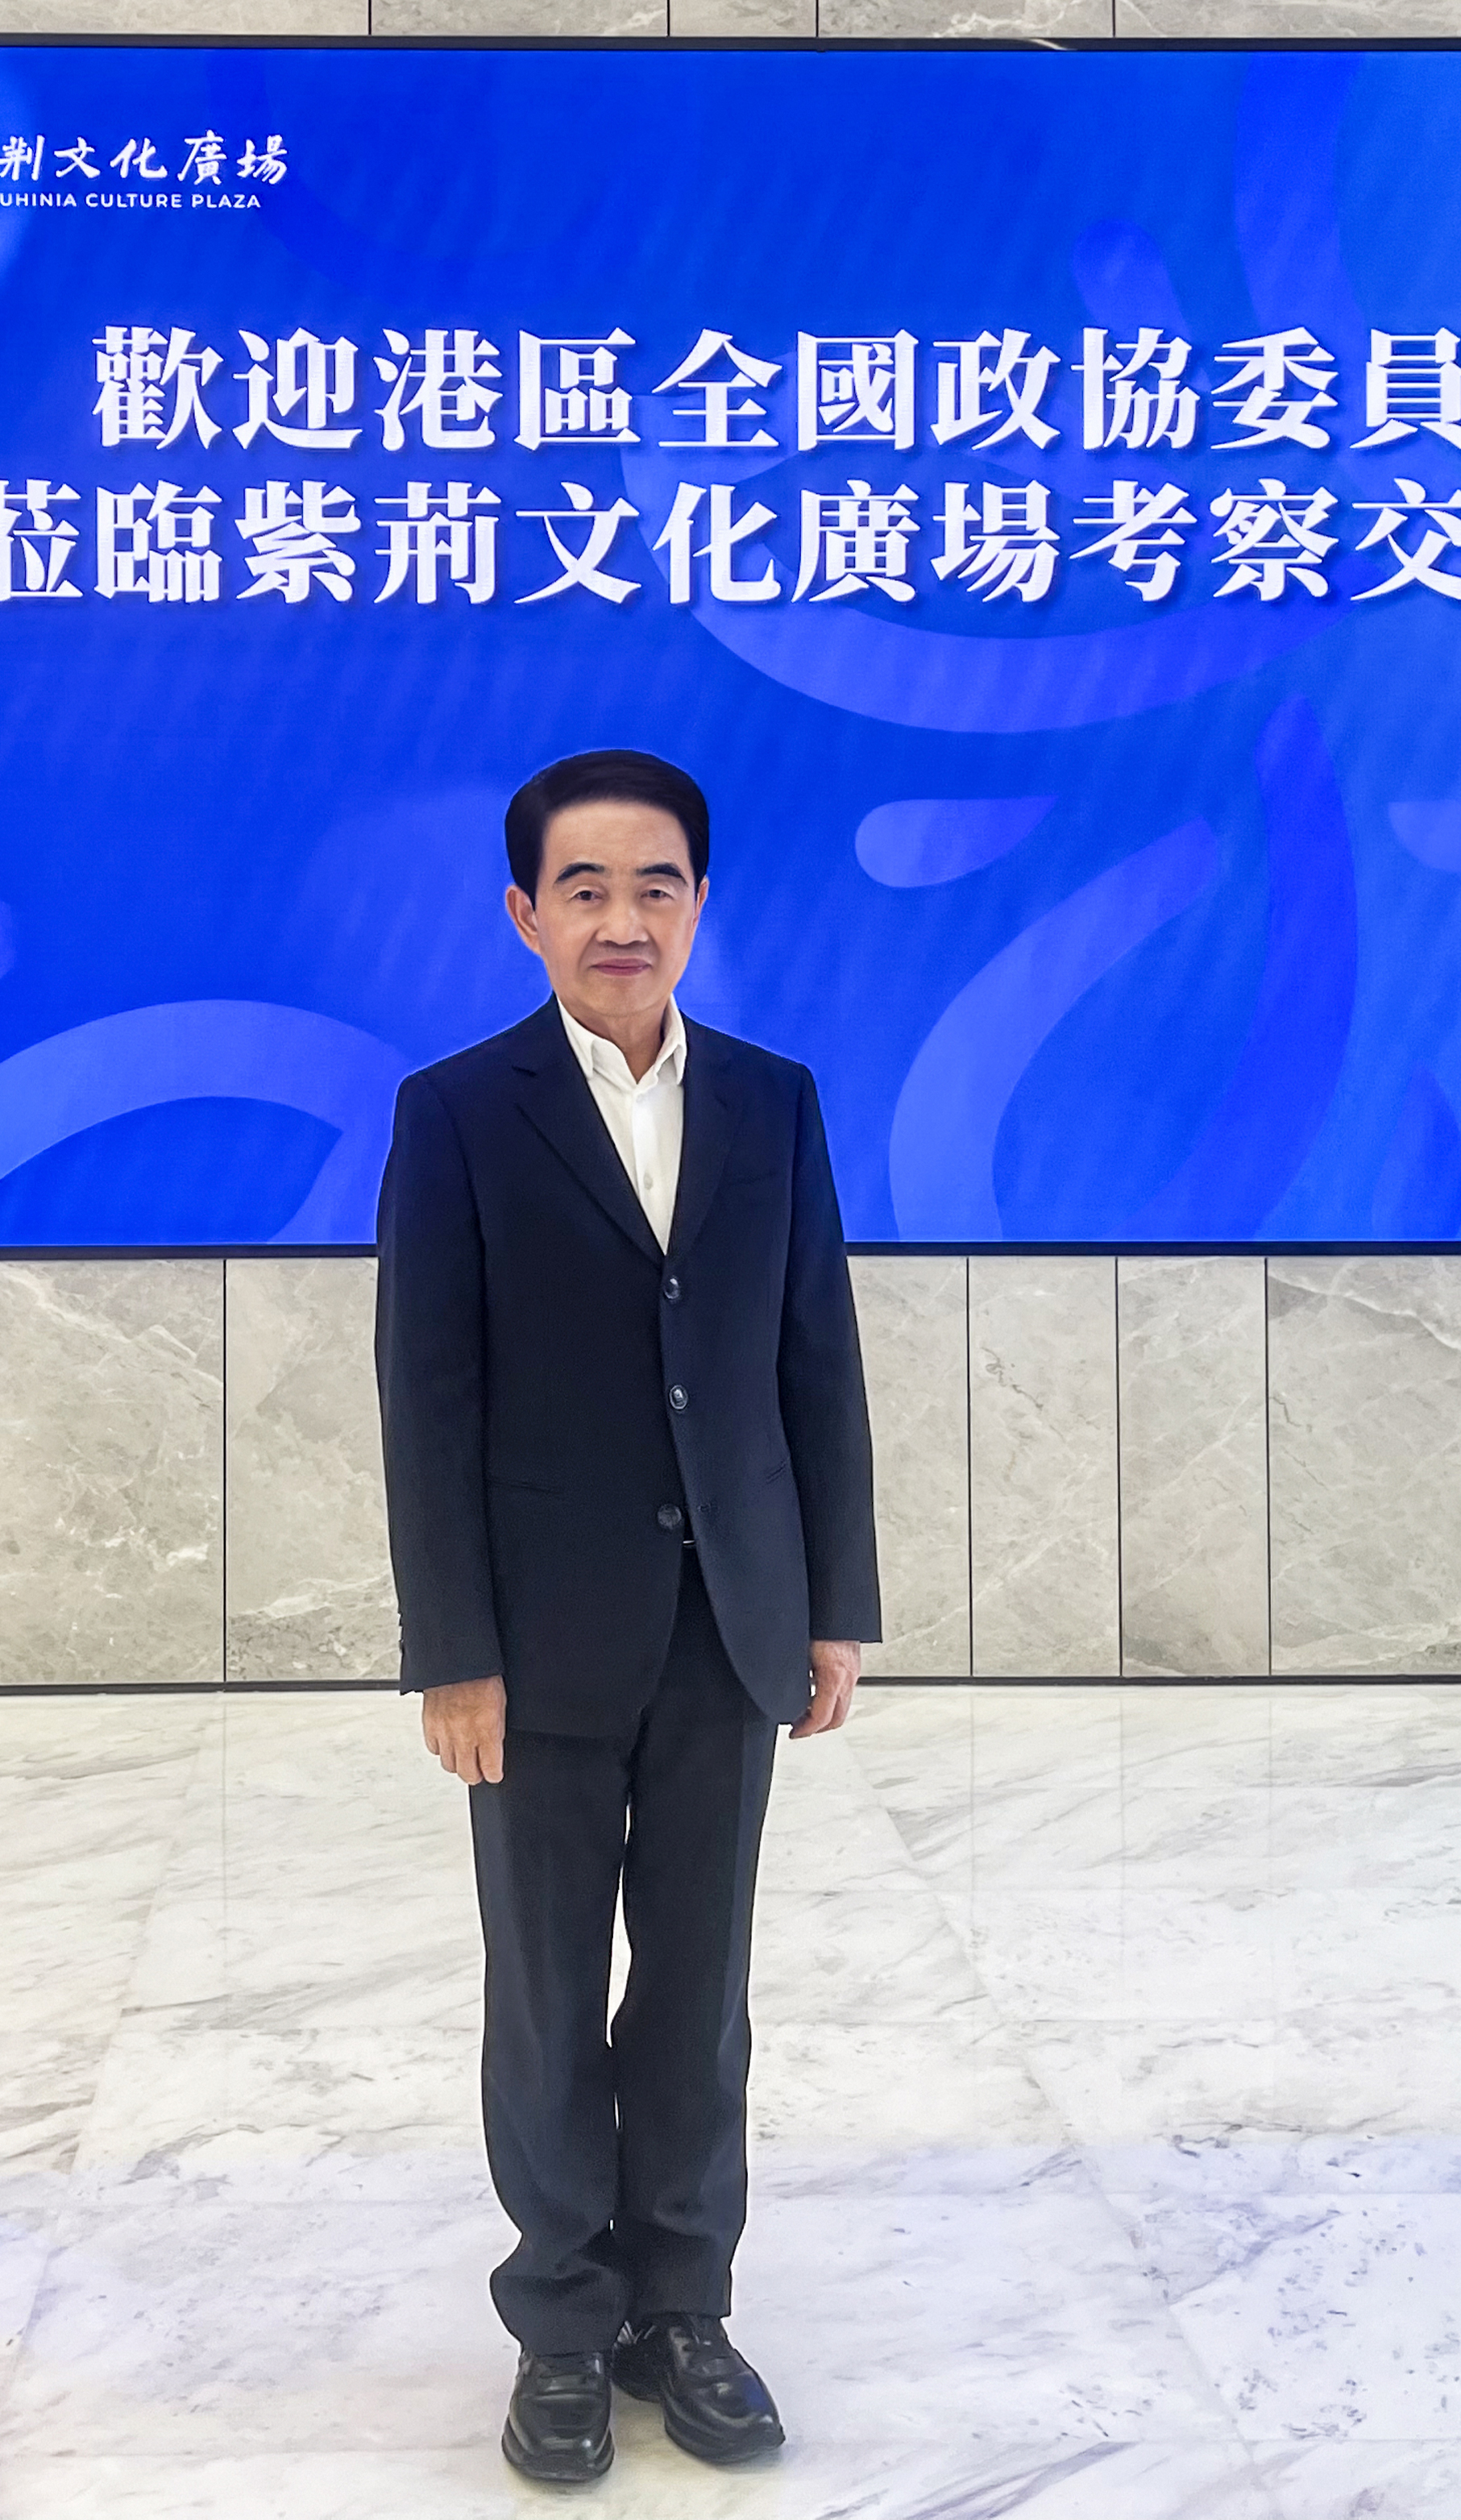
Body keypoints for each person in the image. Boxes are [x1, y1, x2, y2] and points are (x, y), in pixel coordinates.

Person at [375, 749, 880, 2487]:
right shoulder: (458, 1111)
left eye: (654, 883)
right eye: (582, 887)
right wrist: (452, 1649)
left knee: (698, 1990)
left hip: (729, 1623)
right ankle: (563, 2324)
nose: (621, 917)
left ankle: (686, 2309)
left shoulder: (774, 1102)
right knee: (544, 1993)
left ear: (699, 904)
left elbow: (815, 1362)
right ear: (526, 914)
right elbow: (427, 1397)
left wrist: (832, 1604)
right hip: (535, 1643)